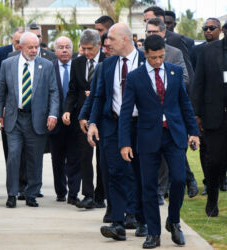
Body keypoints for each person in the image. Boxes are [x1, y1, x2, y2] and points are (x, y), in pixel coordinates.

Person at [119, 34, 199, 248]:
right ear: (146, 55)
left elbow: (185, 105)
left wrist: (194, 132)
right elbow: (126, 112)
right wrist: (125, 143)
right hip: (147, 136)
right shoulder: (135, 77)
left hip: (174, 135)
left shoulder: (175, 73)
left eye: (161, 56)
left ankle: (173, 222)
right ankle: (153, 233)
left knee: (180, 179)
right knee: (149, 187)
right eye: (153, 57)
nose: (157, 61)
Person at [87, 23, 147, 241]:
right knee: (115, 173)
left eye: (111, 39)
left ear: (124, 39)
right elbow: (99, 97)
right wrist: (93, 122)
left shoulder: (146, 62)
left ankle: (142, 219)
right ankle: (118, 223)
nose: (107, 43)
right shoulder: (108, 65)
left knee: (141, 173)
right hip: (112, 126)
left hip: (140, 126)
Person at [0, 32, 59, 208]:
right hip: (14, 119)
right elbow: (0, 91)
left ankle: (31, 194)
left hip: (36, 119)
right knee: (13, 155)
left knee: (35, 157)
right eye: (30, 47)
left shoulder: (46, 66)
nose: (34, 50)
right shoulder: (7, 64)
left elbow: (54, 92)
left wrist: (53, 114)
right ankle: (12, 193)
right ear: (20, 47)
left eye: (36, 47)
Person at [143, 6, 198, 197]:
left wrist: (165, 83)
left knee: (173, 154)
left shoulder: (174, 52)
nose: (150, 35)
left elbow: (186, 78)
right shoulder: (142, 52)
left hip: (171, 110)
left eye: (154, 32)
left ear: (163, 33)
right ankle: (161, 189)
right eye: (148, 32)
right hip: (148, 115)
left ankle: (169, 188)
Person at [62, 29, 105, 210]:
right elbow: (72, 90)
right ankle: (88, 194)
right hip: (83, 118)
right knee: (85, 157)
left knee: (103, 158)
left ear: (99, 46)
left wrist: (95, 93)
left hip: (103, 117)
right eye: (83, 48)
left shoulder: (107, 62)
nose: (86, 53)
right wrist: (67, 111)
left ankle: (101, 195)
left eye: (89, 49)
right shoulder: (77, 63)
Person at [192, 28, 227, 217]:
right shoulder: (208, 51)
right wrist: (196, 114)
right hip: (214, 115)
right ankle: (212, 199)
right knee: (214, 161)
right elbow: (198, 83)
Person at [49, 36, 81, 204]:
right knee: (57, 159)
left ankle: (74, 193)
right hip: (56, 121)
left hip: (76, 121)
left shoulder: (77, 66)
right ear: (55, 51)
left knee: (75, 158)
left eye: (67, 47)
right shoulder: (49, 68)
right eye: (60, 47)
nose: (64, 50)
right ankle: (60, 191)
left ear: (72, 49)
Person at [0, 27, 24, 160]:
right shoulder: (1, 52)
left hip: (25, 106)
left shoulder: (30, 54)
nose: (19, 45)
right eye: (17, 41)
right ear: (11, 39)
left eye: (22, 42)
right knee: (10, 146)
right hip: (6, 106)